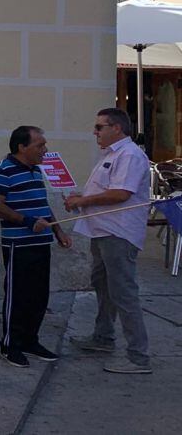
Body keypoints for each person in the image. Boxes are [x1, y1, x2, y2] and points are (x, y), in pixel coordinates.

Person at [65, 108, 152, 374]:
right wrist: (81, 198)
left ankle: (138, 356)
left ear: (116, 128)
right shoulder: (112, 154)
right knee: (102, 285)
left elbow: (121, 194)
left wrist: (83, 200)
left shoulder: (129, 155)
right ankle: (103, 337)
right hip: (102, 230)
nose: (95, 132)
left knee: (123, 292)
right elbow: (106, 189)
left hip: (118, 233)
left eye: (99, 127)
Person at [0, 126, 72, 369]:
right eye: (39, 145)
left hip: (41, 242)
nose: (45, 150)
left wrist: (58, 230)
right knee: (18, 295)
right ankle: (10, 345)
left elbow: (42, 204)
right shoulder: (3, 171)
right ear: (22, 147)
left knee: (39, 295)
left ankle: (30, 341)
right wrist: (27, 221)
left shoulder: (36, 170)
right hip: (18, 244)